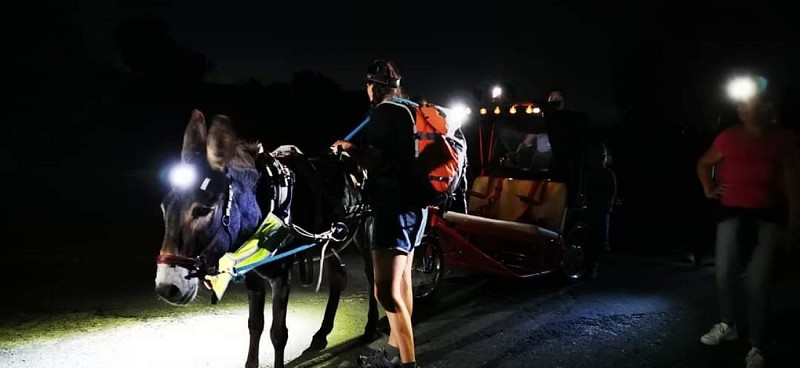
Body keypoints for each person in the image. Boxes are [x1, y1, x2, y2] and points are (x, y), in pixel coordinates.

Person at [696, 86, 799, 368]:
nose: (742, 108)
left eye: (749, 103)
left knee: (757, 282)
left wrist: (794, 223)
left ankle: (757, 345)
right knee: (724, 274)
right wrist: (709, 188)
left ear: (766, 107)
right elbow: (704, 163)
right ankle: (728, 325)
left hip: (768, 217)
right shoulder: (728, 136)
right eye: (739, 104)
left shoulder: (783, 139)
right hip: (731, 213)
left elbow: (793, 183)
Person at [332, 59, 426, 368]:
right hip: (416, 207)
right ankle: (393, 353)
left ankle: (408, 363)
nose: (366, 90)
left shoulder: (385, 113)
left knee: (384, 291)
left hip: (393, 208)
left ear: (374, 86)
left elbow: (376, 161)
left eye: (368, 85)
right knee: (401, 285)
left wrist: (349, 149)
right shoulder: (412, 110)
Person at [583, 142, 617, 279]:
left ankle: (593, 266)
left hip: (600, 210)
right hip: (591, 209)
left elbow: (611, 193)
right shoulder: (589, 174)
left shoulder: (607, 174)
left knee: (597, 239)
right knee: (590, 237)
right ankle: (589, 265)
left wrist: (607, 207)